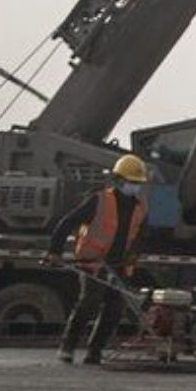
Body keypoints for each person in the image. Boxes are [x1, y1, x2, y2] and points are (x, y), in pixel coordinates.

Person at [43, 155, 149, 365]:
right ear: (118, 180)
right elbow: (67, 222)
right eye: (131, 182)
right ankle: (68, 346)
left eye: (138, 183)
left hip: (119, 265)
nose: (134, 187)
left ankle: (95, 351)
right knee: (89, 303)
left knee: (115, 309)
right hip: (93, 262)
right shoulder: (99, 200)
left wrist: (134, 253)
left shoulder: (141, 206)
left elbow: (141, 234)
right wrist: (54, 250)